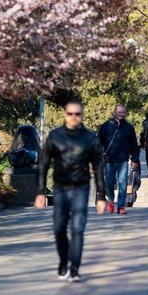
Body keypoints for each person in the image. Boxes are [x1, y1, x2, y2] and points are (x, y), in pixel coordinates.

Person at [35, 99, 106, 283]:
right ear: (65, 114)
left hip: (81, 187)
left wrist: (100, 196)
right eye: (70, 113)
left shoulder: (90, 138)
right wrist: (40, 192)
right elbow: (43, 163)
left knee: (77, 229)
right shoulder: (55, 136)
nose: (74, 117)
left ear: (82, 115)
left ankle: (74, 269)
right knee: (59, 228)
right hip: (60, 188)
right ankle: (63, 261)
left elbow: (98, 167)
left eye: (77, 114)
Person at [98, 104, 140, 215]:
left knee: (123, 183)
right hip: (109, 160)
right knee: (109, 184)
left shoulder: (129, 127)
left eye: (123, 113)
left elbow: (134, 145)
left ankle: (121, 206)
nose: (122, 114)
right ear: (115, 112)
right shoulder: (106, 126)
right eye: (120, 112)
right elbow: (98, 142)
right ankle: (111, 201)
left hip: (123, 160)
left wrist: (135, 159)